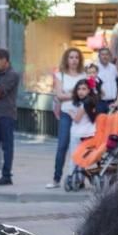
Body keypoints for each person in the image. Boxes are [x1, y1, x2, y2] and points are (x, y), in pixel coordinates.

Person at [48, 48, 85, 188]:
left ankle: (79, 177)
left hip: (82, 115)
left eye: (76, 57)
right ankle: (56, 178)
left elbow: (86, 95)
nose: (74, 60)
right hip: (66, 114)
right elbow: (59, 95)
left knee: (80, 147)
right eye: (71, 57)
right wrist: (77, 94)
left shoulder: (84, 76)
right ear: (66, 59)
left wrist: (69, 93)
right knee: (62, 145)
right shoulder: (60, 75)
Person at [0, 48, 20, 186]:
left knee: (7, 146)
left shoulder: (12, 74)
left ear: (4, 60)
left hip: (7, 114)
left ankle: (6, 175)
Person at [95, 47, 118, 113]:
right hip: (100, 103)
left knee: (113, 122)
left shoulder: (113, 67)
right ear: (99, 56)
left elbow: (117, 82)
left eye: (107, 54)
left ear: (109, 56)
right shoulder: (94, 68)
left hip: (113, 102)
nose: (105, 56)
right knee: (101, 122)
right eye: (102, 54)